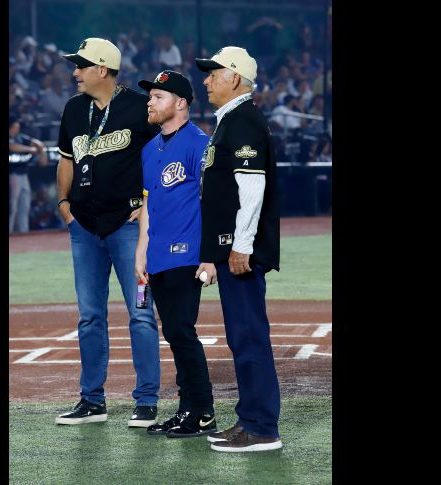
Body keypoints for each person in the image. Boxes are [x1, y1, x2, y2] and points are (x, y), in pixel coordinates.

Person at [53, 38, 162, 428]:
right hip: (83, 227)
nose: (75, 72)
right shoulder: (73, 108)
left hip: (127, 228)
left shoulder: (138, 107)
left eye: (81, 65)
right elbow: (67, 161)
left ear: (102, 69)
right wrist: (63, 205)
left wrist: (147, 206)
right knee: (89, 316)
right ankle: (91, 400)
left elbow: (161, 158)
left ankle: (147, 400)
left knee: (141, 313)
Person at [194, 46, 283, 452]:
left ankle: (262, 428)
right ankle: (250, 418)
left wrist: (241, 245)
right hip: (232, 248)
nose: (207, 79)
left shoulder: (243, 120)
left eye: (214, 73)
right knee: (242, 336)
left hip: (240, 251)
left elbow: (252, 188)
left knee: (248, 336)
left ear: (234, 78)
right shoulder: (232, 121)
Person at [134, 70, 216, 438]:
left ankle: (202, 412)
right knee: (175, 333)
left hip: (187, 254)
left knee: (182, 331)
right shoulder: (150, 149)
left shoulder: (200, 143)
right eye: (150, 97)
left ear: (181, 103)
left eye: (158, 97)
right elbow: (148, 206)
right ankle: (188, 409)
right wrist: (141, 250)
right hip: (159, 256)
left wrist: (211, 255)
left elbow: (213, 201)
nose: (150, 102)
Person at [9, 117, 47, 234]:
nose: (17, 129)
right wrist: (31, 150)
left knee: (24, 204)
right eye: (15, 127)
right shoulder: (12, 140)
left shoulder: (20, 137)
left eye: (18, 127)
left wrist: (42, 153)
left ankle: (23, 232)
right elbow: (12, 147)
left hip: (23, 174)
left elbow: (37, 143)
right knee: (12, 205)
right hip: (12, 175)